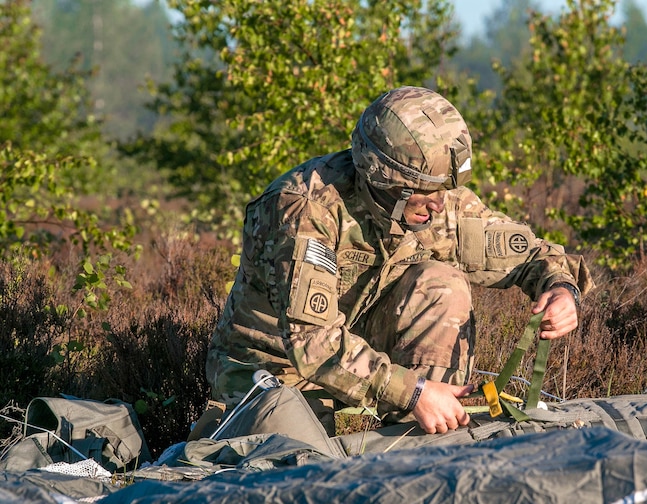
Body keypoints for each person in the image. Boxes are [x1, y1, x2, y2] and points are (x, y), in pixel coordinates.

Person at [205, 86, 592, 435]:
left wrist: (559, 287)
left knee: (442, 284)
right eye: (421, 193)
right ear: (380, 179)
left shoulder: (434, 203)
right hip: (274, 367)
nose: (437, 204)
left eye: (443, 190)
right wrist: (412, 392)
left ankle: (425, 442)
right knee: (294, 468)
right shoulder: (306, 210)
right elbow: (312, 343)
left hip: (362, 348)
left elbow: (525, 252)